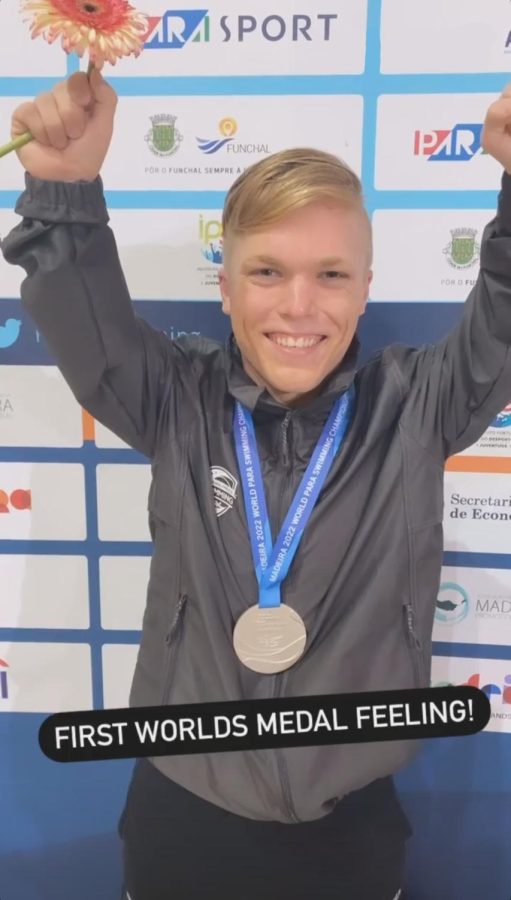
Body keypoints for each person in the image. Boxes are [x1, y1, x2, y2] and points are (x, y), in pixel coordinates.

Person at [2, 69, 511, 900]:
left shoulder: (418, 405)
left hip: (347, 828)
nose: (299, 306)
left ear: (366, 285)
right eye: (267, 272)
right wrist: (62, 191)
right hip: (183, 821)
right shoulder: (174, 398)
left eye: (332, 275)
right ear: (226, 288)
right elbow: (81, 313)